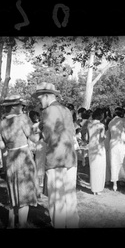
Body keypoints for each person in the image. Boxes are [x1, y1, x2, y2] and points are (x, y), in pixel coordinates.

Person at [32, 82, 79, 228]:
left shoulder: (48, 111)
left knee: (57, 198)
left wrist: (38, 131)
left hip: (56, 158)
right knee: (70, 196)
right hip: (70, 156)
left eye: (40, 99)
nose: (39, 102)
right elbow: (70, 132)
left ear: (46, 96)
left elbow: (49, 137)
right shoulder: (65, 109)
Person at [0, 95, 39, 228]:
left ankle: (10, 223)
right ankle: (22, 224)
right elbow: (33, 138)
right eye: (21, 105)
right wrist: (41, 130)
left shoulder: (3, 122)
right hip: (23, 156)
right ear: (15, 107)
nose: (23, 107)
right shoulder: (23, 119)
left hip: (10, 157)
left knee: (13, 190)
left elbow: (1, 145)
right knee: (24, 192)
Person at [107, 107, 125, 191]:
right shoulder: (124, 121)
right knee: (124, 161)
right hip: (122, 143)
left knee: (114, 162)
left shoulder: (110, 122)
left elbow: (109, 134)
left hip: (113, 144)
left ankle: (115, 184)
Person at [87, 108, 106, 195]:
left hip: (91, 146)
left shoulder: (89, 124)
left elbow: (87, 138)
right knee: (100, 167)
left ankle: (93, 188)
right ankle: (98, 188)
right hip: (99, 148)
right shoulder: (101, 125)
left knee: (93, 167)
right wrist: (105, 136)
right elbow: (101, 139)